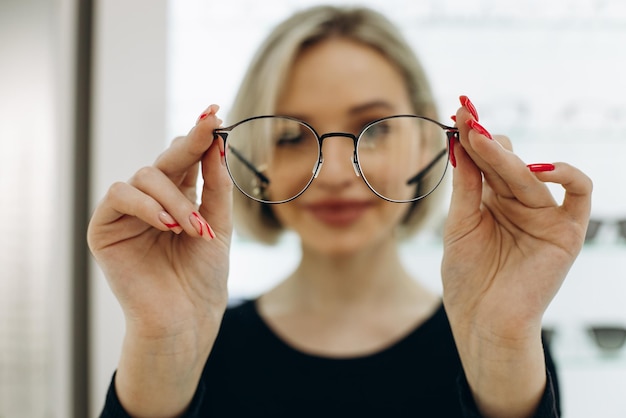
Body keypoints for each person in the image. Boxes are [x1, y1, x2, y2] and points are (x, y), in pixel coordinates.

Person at [89, 5, 592, 418]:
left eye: (375, 128)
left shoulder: (507, 343)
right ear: (250, 158)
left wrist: (502, 350)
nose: (332, 172)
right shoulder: (195, 346)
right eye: (291, 135)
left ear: (429, 146)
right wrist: (161, 346)